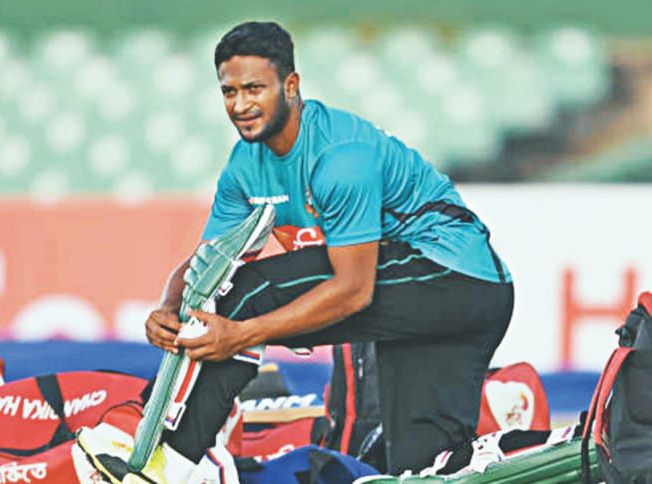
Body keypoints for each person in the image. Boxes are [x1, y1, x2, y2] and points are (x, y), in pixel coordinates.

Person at [144, 21, 514, 480]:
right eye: (229, 92)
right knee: (423, 471)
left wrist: (242, 335)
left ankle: (169, 462)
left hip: (455, 277)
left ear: (291, 86)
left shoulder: (340, 157)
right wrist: (168, 305)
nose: (240, 105)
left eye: (254, 89)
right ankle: (569, 450)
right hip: (437, 304)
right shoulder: (244, 166)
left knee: (245, 295)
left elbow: (353, 291)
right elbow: (209, 264)